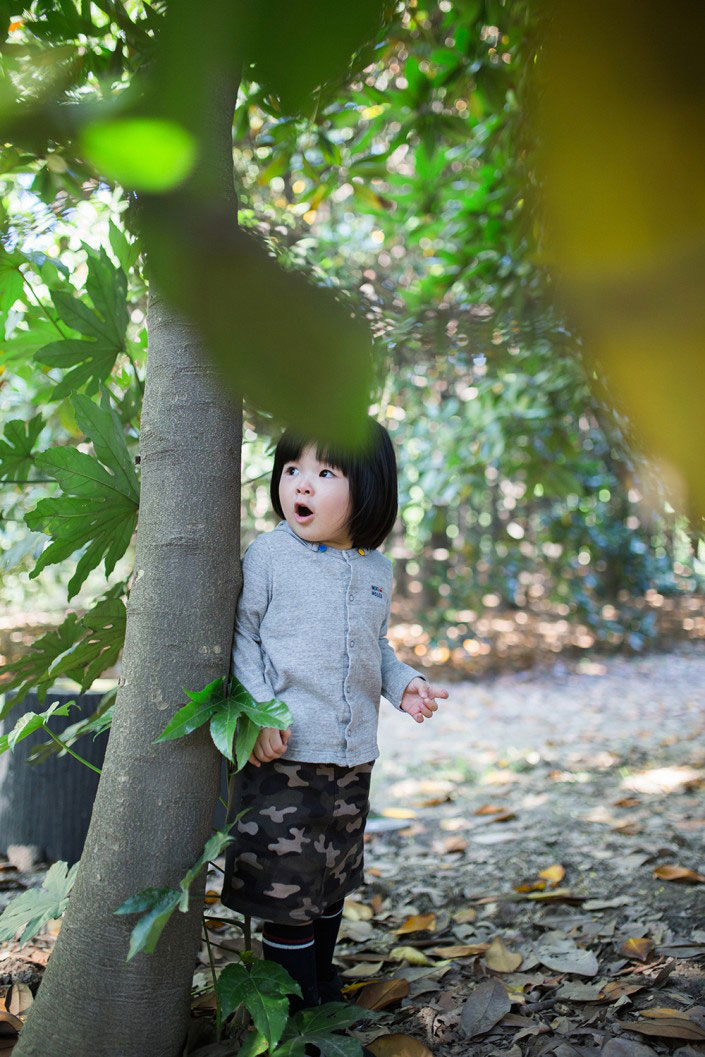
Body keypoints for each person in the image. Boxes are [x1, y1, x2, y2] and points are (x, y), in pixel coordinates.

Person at [221, 419, 448, 1017]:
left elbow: (376, 649)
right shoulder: (269, 556)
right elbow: (241, 636)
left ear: (369, 489)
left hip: (351, 759)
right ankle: (291, 1015)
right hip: (285, 757)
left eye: (326, 473)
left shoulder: (377, 570)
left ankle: (319, 989)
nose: (303, 485)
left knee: (330, 880)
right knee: (285, 888)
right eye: (293, 470)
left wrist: (406, 685)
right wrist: (259, 711)